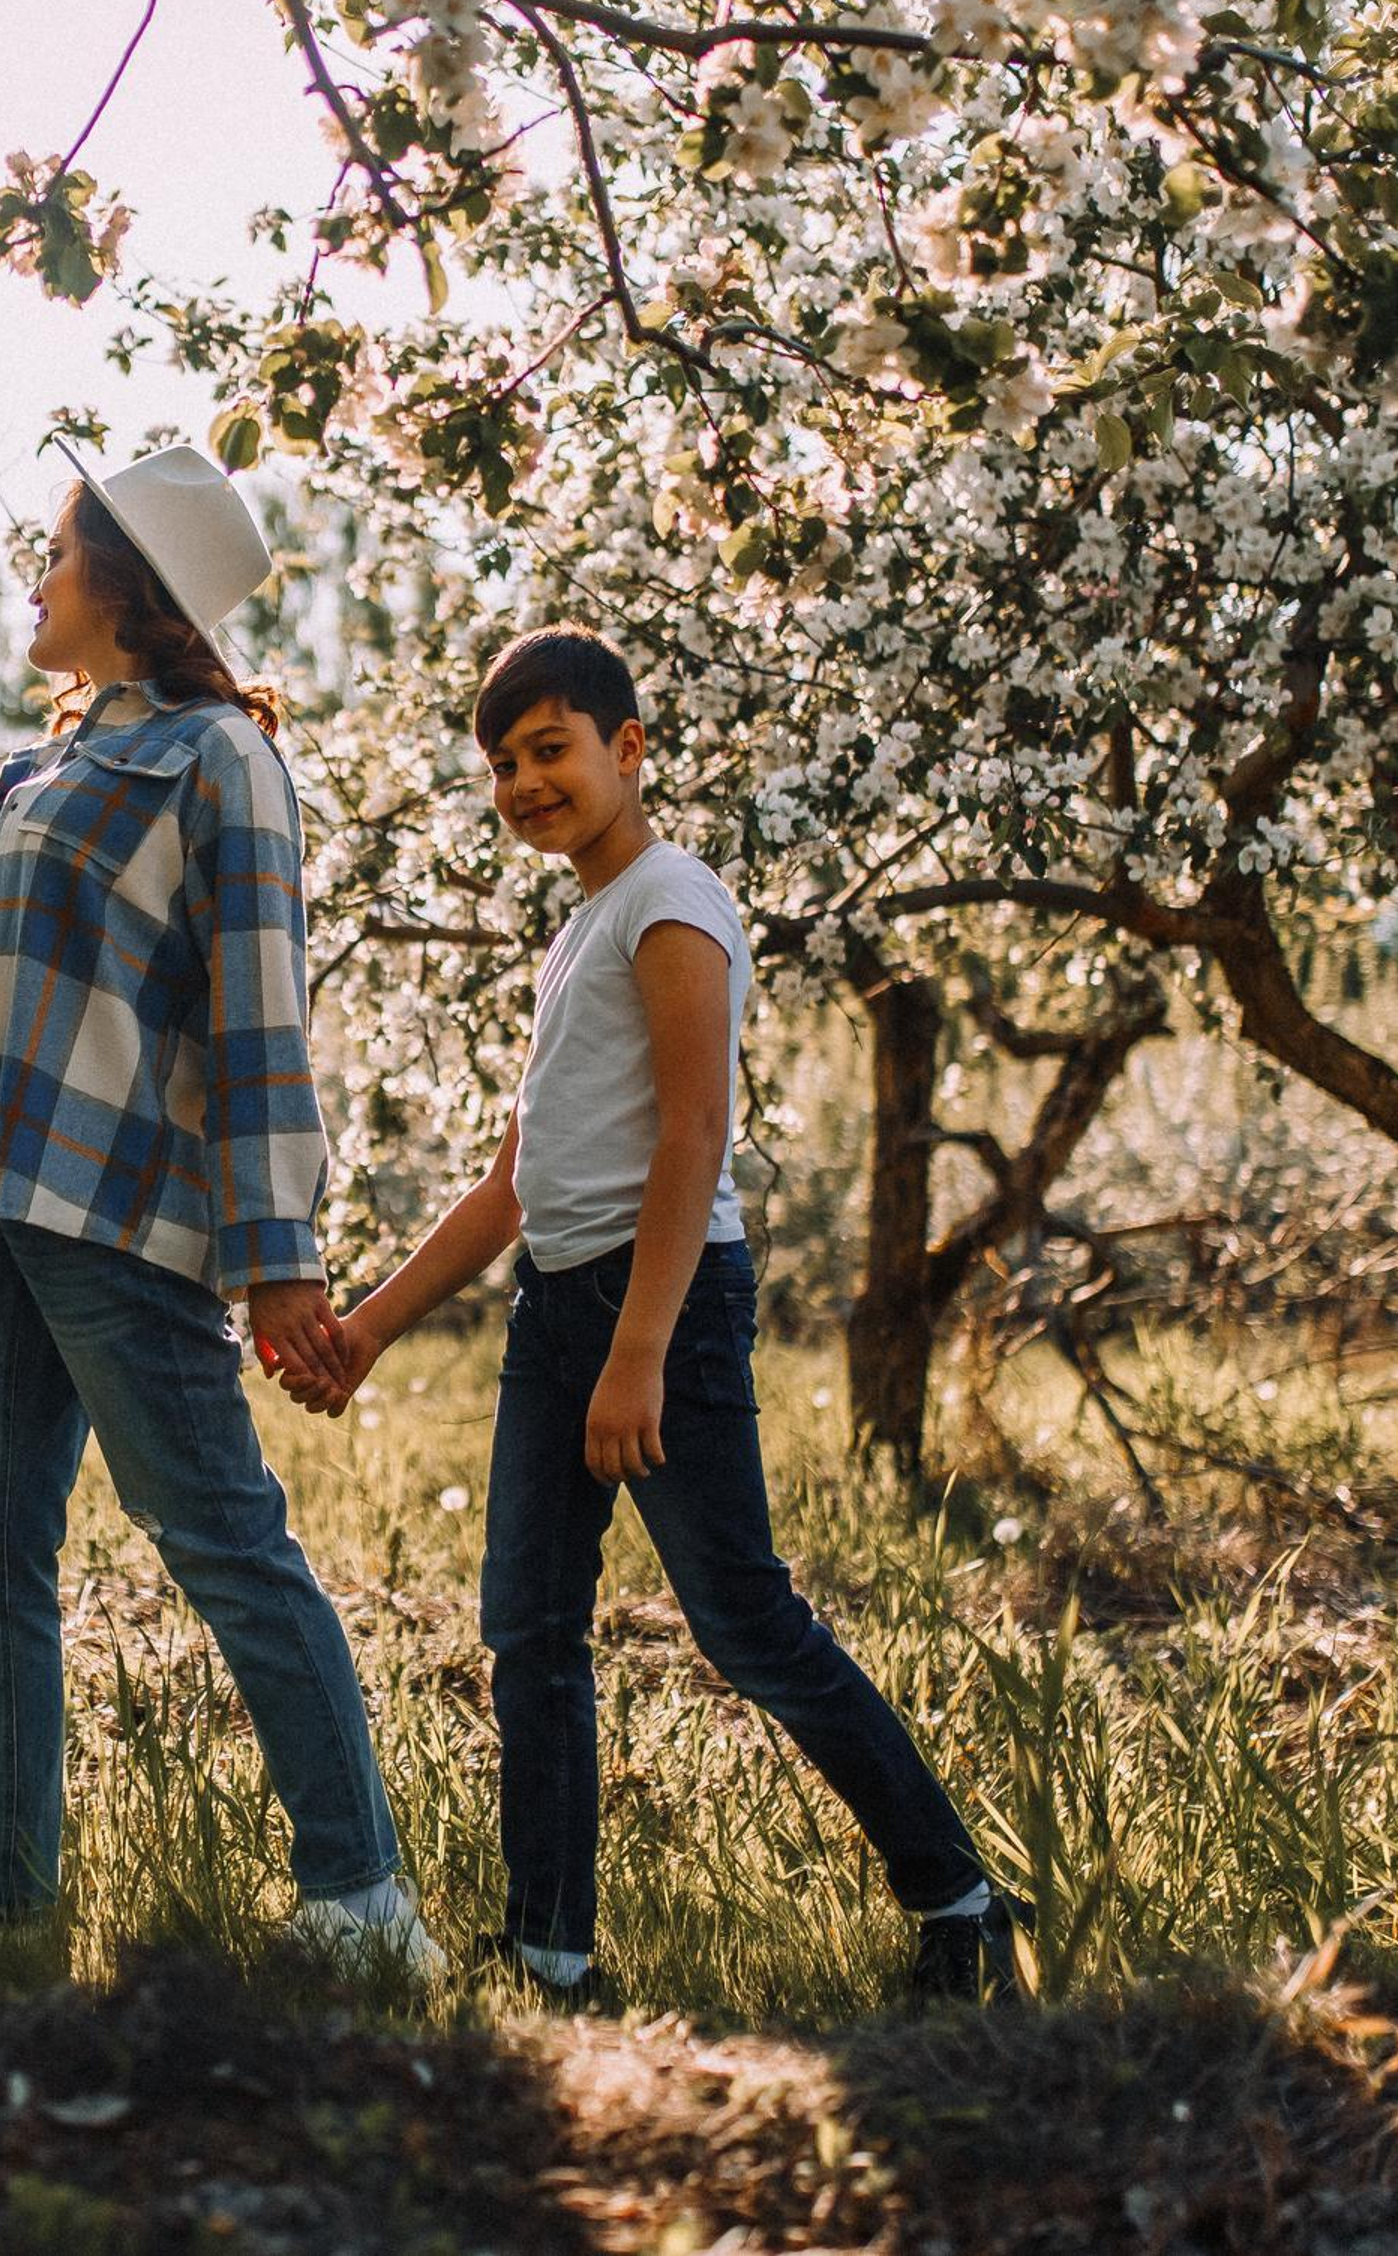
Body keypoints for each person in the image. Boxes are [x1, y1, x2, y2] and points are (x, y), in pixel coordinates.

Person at [280, 624, 1026, 2008]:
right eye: (501, 762)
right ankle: (552, 1956)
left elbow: (695, 1137)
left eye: (550, 749)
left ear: (628, 751)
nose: (523, 781)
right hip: (561, 1307)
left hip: (657, 1308)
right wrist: (373, 1326)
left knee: (743, 1621)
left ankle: (962, 1904)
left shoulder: (674, 900)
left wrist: (637, 1358)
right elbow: (519, 1177)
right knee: (532, 1631)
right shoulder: (582, 928)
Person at [0, 444, 441, 1974]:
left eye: (57, 548)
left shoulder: (220, 760)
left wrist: (279, 1254)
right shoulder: (43, 767)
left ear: (130, 582)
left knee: (221, 1535)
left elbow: (259, 1016)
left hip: (116, 1212)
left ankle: (364, 1909)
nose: (33, 573)